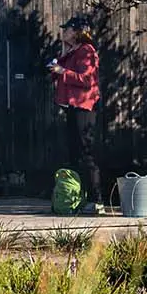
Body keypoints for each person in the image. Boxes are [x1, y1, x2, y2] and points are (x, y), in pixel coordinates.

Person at [50, 16, 104, 214]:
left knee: (86, 151)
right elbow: (56, 73)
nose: (64, 32)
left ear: (78, 31)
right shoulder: (73, 51)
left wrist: (63, 70)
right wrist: (63, 54)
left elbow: (86, 80)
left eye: (68, 29)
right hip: (71, 106)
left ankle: (97, 200)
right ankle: (77, 199)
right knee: (73, 153)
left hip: (84, 106)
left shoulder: (86, 51)